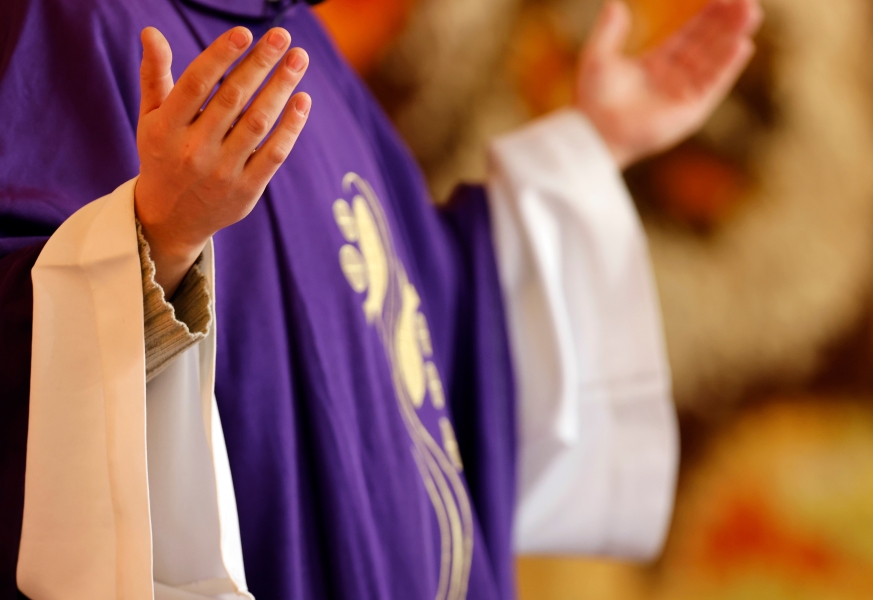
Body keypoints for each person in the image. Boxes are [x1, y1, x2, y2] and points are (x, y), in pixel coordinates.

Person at [0, 0, 760, 598]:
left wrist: (590, 147)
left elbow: (418, 316)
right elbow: (30, 348)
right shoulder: (66, 21)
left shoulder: (299, 42)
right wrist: (154, 240)